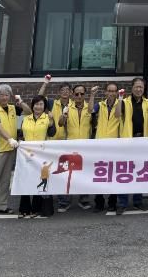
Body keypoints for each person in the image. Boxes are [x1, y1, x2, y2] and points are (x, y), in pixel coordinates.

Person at [117, 77, 148, 214]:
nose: (139, 89)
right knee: (125, 172)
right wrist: (119, 99)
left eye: (141, 87)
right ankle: (122, 203)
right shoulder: (124, 102)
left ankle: (138, 201)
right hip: (127, 141)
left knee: (140, 172)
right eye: (136, 86)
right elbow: (117, 115)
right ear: (132, 88)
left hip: (143, 141)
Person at [0, 84, 31, 219]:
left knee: (5, 181)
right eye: (1, 95)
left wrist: (21, 102)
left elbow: (29, 112)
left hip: (10, 149)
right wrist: (10, 139)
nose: (4, 97)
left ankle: (2, 206)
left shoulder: (13, 108)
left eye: (7, 95)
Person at [56, 84, 97, 212]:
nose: (79, 96)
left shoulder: (89, 108)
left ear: (85, 95)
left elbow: (94, 123)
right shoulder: (68, 107)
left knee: (84, 174)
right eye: (77, 94)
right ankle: (64, 201)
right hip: (70, 145)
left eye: (82, 94)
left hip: (85, 146)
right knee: (67, 174)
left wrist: (92, 95)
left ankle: (83, 199)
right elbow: (60, 124)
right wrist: (63, 116)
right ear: (72, 95)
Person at [19, 95, 56, 218]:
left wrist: (51, 122)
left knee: (38, 180)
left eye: (41, 104)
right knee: (25, 180)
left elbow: (52, 133)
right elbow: (21, 134)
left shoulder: (48, 118)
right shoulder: (26, 118)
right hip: (26, 154)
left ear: (44, 106)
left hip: (41, 155)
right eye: (36, 104)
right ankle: (24, 208)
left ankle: (36, 208)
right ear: (32, 106)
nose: (38, 106)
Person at [92, 82, 123, 213]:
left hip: (114, 145)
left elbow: (118, 115)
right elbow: (90, 110)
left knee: (113, 174)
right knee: (99, 174)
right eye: (109, 91)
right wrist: (92, 95)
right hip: (100, 144)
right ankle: (99, 202)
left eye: (113, 91)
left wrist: (119, 99)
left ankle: (112, 202)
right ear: (105, 92)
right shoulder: (100, 105)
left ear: (116, 92)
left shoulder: (121, 103)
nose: (111, 93)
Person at [38, 76, 72, 141]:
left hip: (68, 140)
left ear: (70, 92)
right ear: (59, 92)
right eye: (62, 90)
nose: (65, 92)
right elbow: (39, 98)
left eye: (67, 90)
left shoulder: (74, 105)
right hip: (52, 140)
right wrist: (45, 83)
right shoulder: (52, 103)